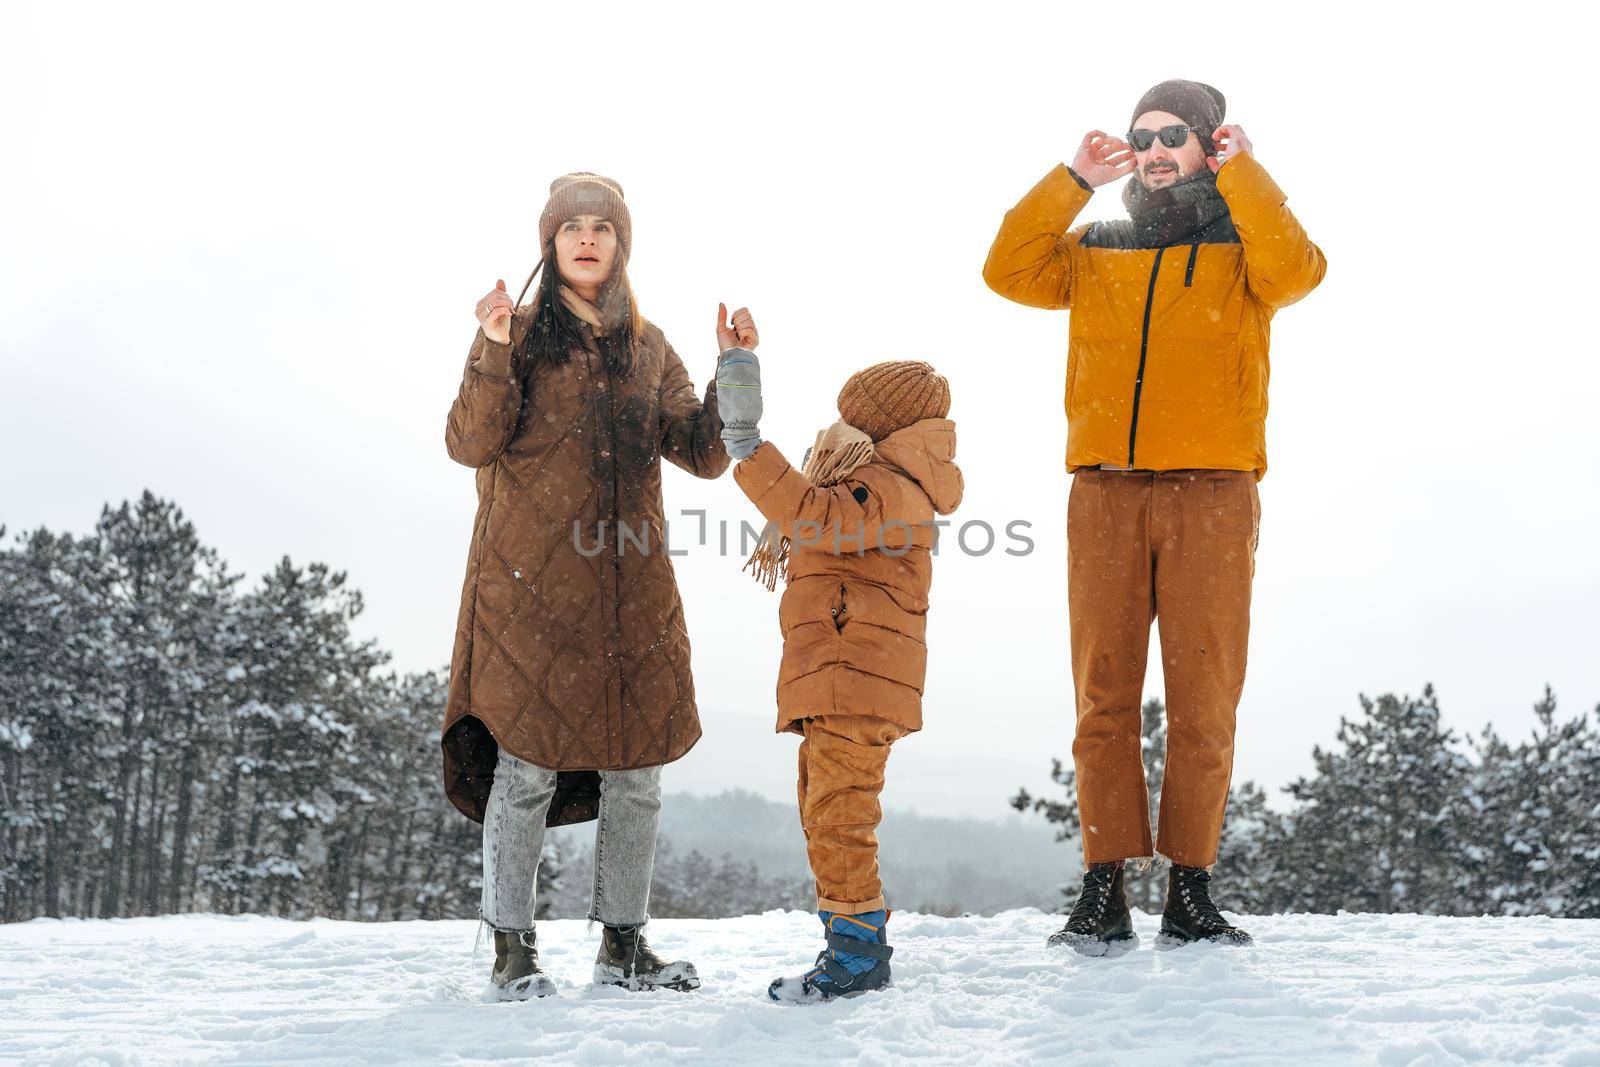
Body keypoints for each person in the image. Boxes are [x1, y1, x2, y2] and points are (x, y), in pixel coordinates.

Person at [983, 80, 1326, 954]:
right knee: (1103, 696)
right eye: (1143, 136)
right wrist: (1071, 179)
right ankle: (1104, 888)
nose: (1155, 147)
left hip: (1213, 494)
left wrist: (1246, 174)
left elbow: (1300, 270)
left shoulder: (1245, 245)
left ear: (1208, 143)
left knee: (1205, 698)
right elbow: (1005, 269)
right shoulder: (1097, 243)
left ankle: (1191, 889)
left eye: (1175, 134)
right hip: (1103, 492)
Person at [441, 172, 758, 998]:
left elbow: (706, 450)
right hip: (529, 592)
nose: (587, 238)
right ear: (550, 242)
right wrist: (492, 345)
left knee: (636, 771)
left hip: (632, 592)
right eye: (571, 226)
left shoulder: (649, 347)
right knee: (526, 772)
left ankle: (624, 947)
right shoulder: (516, 337)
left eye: (602, 228)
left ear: (622, 245)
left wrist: (737, 368)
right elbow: (470, 443)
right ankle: (513, 950)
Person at [717, 351, 963, 1001]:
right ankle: (850, 936)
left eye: (854, 415)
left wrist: (748, 445)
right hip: (844, 670)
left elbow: (814, 515)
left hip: (856, 671)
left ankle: (858, 955)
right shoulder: (882, 479)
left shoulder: (886, 486)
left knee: (841, 814)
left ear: (882, 424)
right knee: (825, 808)